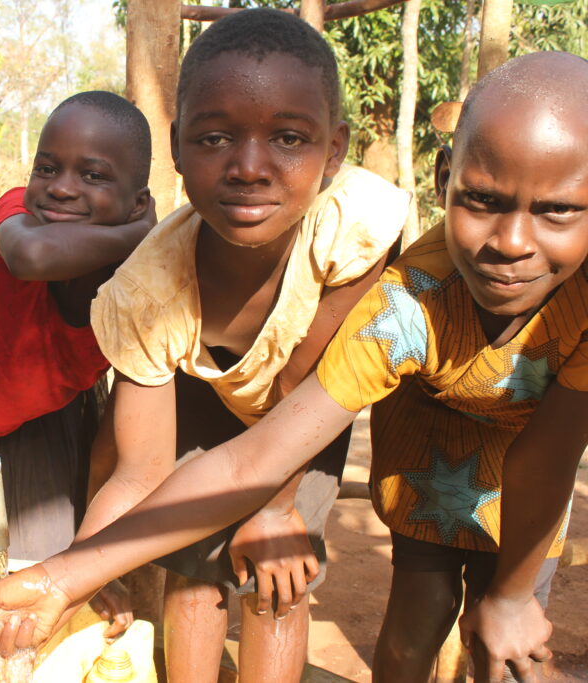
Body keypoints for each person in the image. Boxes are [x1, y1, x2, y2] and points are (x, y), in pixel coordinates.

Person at [0, 51, 588, 683]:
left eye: (558, 210)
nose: (511, 242)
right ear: (444, 179)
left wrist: (510, 598)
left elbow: (550, 453)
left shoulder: (353, 235)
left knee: (508, 636)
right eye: (481, 200)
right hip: (415, 438)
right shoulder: (402, 312)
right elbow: (237, 458)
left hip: (525, 452)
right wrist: (62, 577)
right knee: (416, 609)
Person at [58, 10, 408, 683]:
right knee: (193, 566)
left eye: (288, 138)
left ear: (333, 150)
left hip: (306, 406)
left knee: (276, 572)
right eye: (215, 137)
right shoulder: (148, 289)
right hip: (207, 393)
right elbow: (139, 471)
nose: (250, 167)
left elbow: (300, 381)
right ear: (178, 147)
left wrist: (275, 509)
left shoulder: (355, 229)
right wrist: (83, 564)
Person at [0, 91, 153, 570]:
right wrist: (141, 231)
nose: (60, 188)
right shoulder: (16, 216)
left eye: (93, 175)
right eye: (47, 169)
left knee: (43, 560)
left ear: (138, 202)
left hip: (55, 418)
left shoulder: (140, 283)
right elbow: (35, 258)